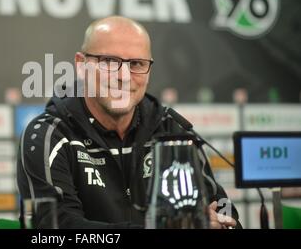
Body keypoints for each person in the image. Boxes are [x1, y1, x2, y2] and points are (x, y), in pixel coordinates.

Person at [16, 16, 240, 229]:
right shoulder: (46, 135)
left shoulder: (173, 130)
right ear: (81, 65)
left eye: (136, 63)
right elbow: (57, 227)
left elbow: (223, 205)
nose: (123, 76)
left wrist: (221, 220)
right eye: (109, 61)